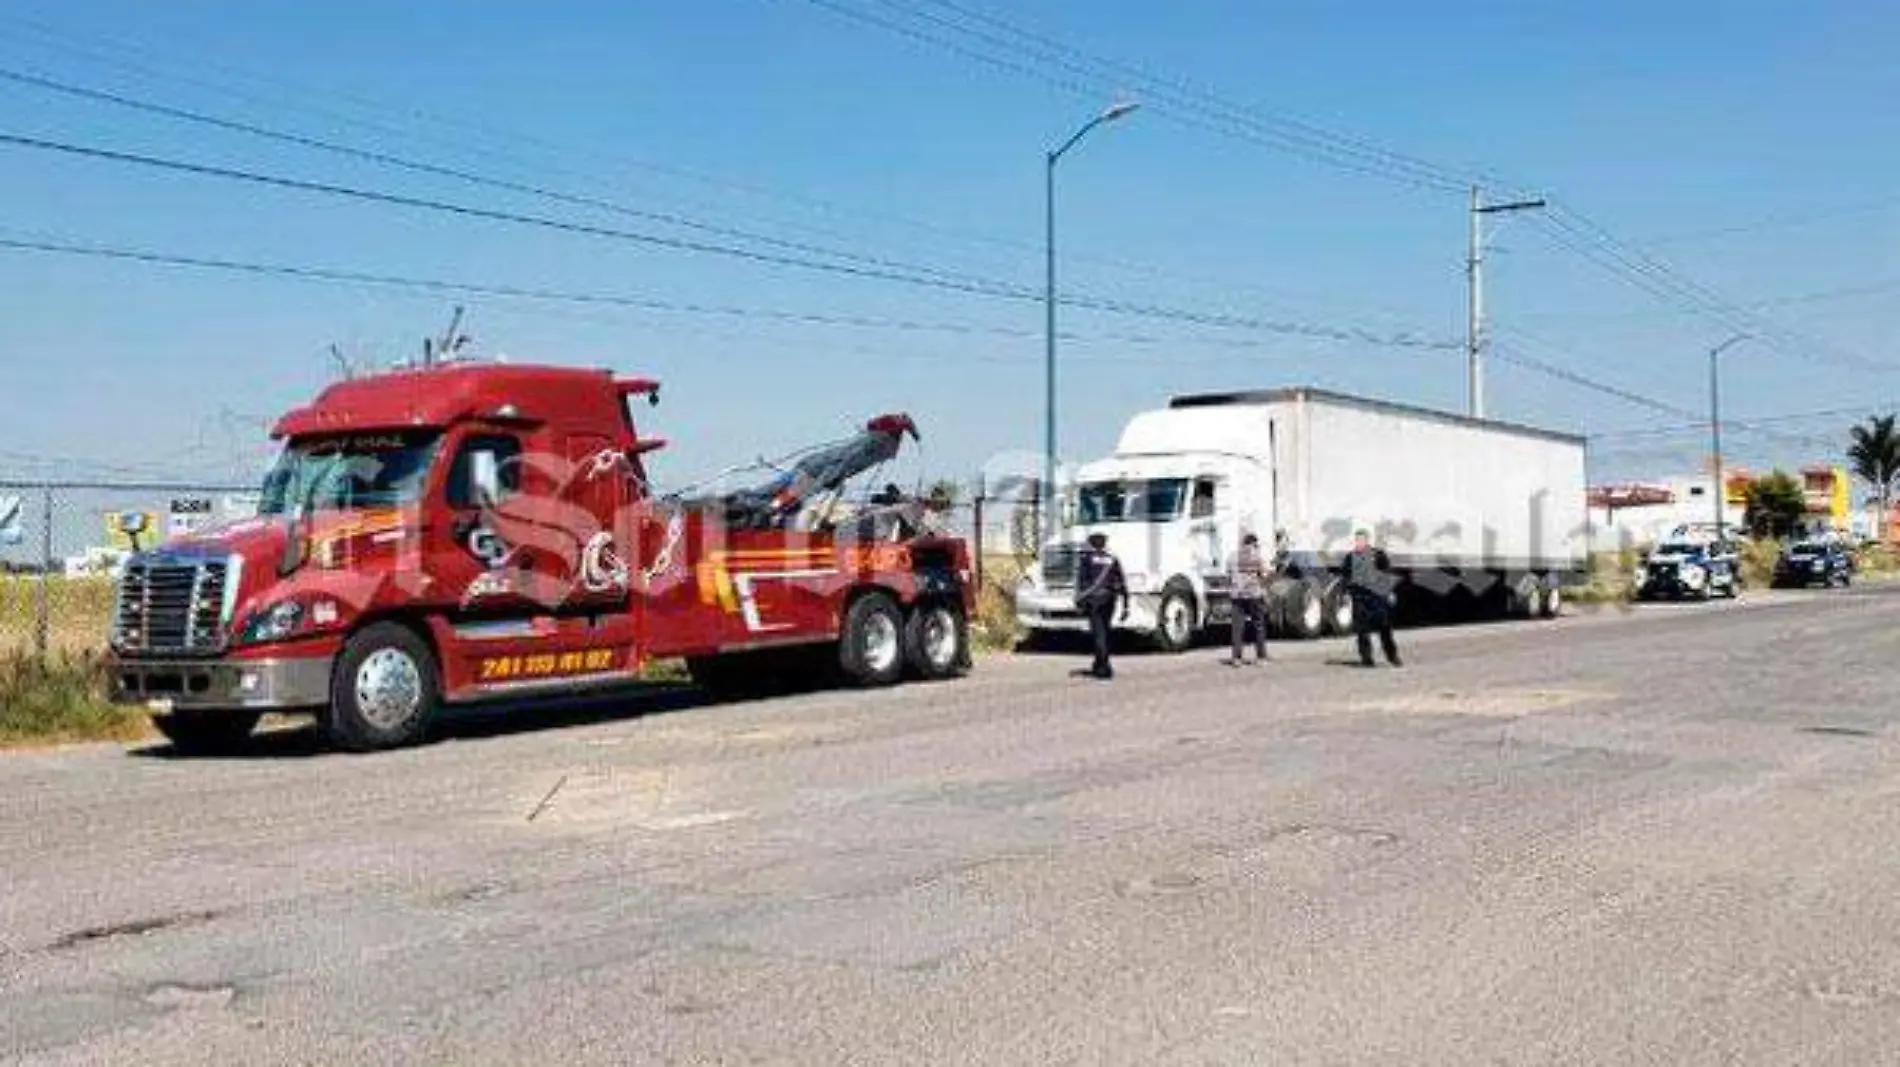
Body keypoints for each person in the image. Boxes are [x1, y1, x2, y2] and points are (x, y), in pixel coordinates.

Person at [1342, 527, 1402, 667]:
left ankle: (1392, 656)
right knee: (1362, 631)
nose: (1359, 542)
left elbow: (1387, 574)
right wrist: (1346, 593)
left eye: (1362, 539)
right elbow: (1345, 576)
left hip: (1377, 597)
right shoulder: (1350, 557)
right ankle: (1366, 658)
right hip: (1359, 598)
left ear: (1367, 540)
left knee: (1384, 628)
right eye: (1357, 540)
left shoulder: (1378, 555)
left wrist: (1390, 592)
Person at [1074, 531, 1129, 679]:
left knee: (1098, 633)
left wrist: (1079, 600)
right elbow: (1122, 581)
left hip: (1094, 601)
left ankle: (1104, 666)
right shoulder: (1112, 559)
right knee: (1105, 631)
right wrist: (1126, 605)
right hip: (1110, 599)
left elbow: (1082, 581)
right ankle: (1099, 662)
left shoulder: (1086, 558)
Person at [1226, 531, 1269, 665]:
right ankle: (1261, 657)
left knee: (1237, 628)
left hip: (1237, 596)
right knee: (1258, 626)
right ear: (1253, 544)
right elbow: (1263, 575)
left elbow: (1228, 575)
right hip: (1254, 595)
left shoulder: (1232, 556)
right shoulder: (1256, 557)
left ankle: (1236, 658)